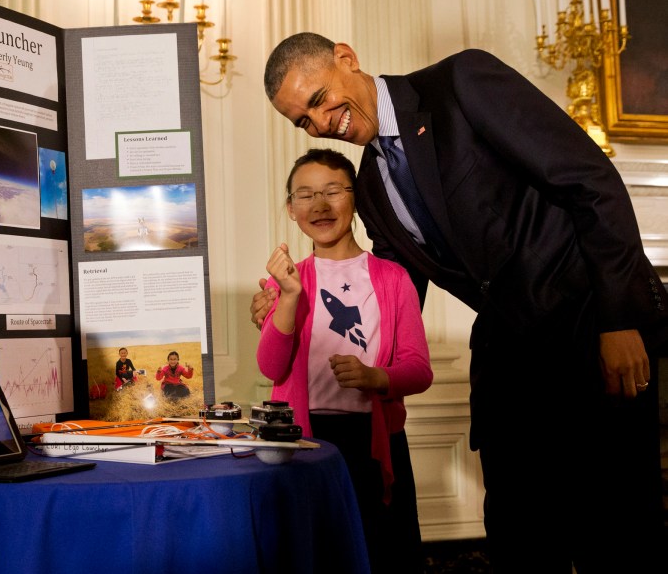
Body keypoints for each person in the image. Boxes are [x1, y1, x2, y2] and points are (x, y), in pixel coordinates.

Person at [251, 32, 668, 573]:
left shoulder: (461, 83)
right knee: (520, 534)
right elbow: (391, 290)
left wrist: (620, 320)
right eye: (303, 122)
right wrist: (294, 306)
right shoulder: (372, 188)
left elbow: (590, 182)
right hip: (508, 358)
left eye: (319, 99)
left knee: (617, 529)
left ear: (346, 59)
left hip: (591, 329)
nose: (322, 121)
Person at [257, 148, 432, 573]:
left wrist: (376, 377)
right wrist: (290, 296)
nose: (319, 204)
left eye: (333, 191)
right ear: (291, 208)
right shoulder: (287, 281)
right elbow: (271, 367)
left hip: (373, 441)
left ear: (354, 198)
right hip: (304, 440)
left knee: (381, 551)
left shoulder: (393, 277)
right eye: (306, 195)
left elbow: (419, 368)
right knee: (316, 554)